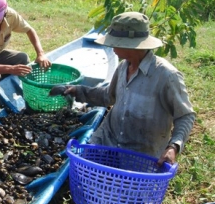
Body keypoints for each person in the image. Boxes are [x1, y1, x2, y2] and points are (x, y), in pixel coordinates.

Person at [50, 12, 195, 165]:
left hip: (141, 154)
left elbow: (185, 115)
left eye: (115, 43)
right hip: (108, 141)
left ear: (131, 45)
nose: (112, 47)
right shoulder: (123, 67)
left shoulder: (166, 76)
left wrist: (174, 147)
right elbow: (108, 96)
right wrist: (79, 91)